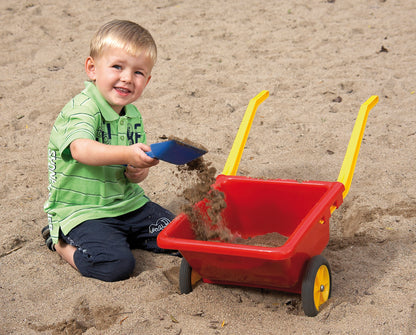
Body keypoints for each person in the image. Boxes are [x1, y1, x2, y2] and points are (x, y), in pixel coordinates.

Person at [42, 19, 177, 282]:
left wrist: (137, 170)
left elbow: (129, 170)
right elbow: (81, 149)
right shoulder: (83, 108)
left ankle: (122, 236)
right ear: (92, 68)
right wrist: (127, 154)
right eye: (117, 67)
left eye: (138, 72)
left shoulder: (132, 113)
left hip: (128, 204)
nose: (127, 78)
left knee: (184, 237)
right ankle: (59, 243)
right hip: (83, 211)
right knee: (116, 265)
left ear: (147, 80)